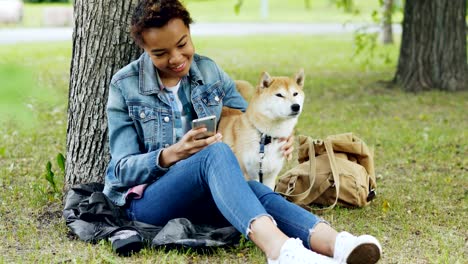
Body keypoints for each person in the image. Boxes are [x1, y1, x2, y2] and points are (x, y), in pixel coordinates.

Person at [103, 0, 382, 263]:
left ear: (189, 33)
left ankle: (339, 244)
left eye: (182, 44)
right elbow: (121, 169)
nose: (176, 58)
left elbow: (253, 116)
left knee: (253, 189)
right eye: (160, 53)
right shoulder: (125, 85)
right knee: (215, 152)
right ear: (144, 49)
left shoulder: (207, 71)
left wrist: (277, 137)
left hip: (206, 196)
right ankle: (280, 250)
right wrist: (172, 154)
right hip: (148, 204)